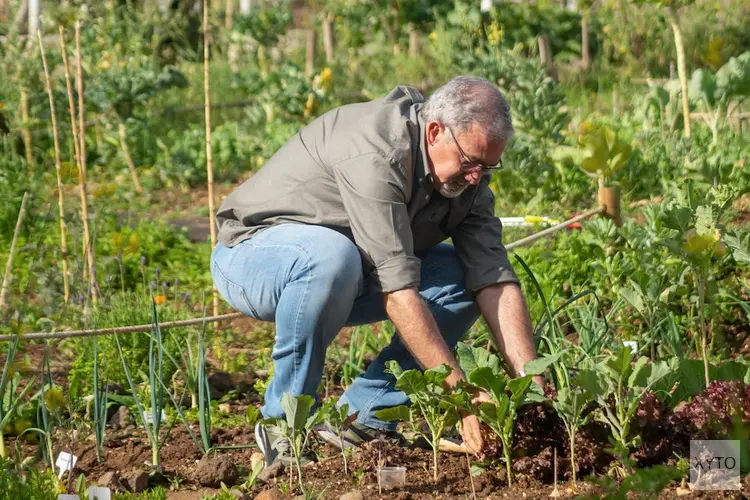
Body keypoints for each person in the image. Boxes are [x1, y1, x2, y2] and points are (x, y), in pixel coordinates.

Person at [210, 75, 544, 466]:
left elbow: (494, 280)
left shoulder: (468, 184)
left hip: (346, 271)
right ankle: (284, 424)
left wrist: (533, 389)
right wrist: (462, 397)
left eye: (488, 167)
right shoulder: (377, 152)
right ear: (435, 132)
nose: (476, 177)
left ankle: (363, 418)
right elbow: (399, 293)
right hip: (254, 256)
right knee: (332, 257)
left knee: (460, 277)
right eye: (470, 162)